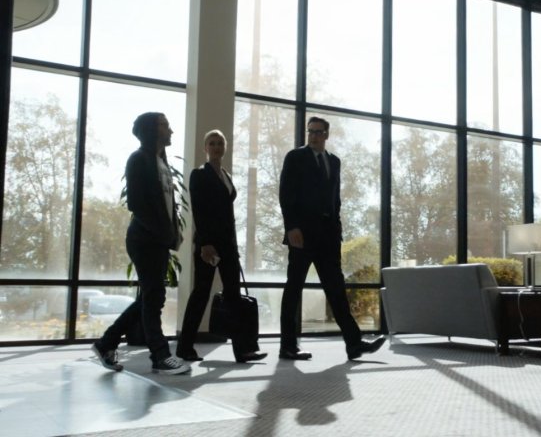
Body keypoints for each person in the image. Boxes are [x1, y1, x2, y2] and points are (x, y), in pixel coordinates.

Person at [278, 116, 385, 360]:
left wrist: (337, 231)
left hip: (328, 237)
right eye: (310, 131)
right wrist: (291, 227)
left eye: (318, 132)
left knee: (336, 290)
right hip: (301, 236)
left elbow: (335, 200)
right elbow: (286, 194)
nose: (313, 135)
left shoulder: (334, 162)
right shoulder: (295, 157)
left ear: (326, 135)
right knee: (293, 289)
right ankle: (288, 346)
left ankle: (354, 344)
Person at [91, 112, 191, 375]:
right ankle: (160, 356)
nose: (170, 130)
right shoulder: (138, 160)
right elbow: (136, 204)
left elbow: (166, 205)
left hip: (157, 239)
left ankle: (107, 343)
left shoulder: (160, 162)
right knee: (154, 297)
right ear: (150, 130)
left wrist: (173, 233)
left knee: (151, 296)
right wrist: (162, 233)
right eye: (164, 125)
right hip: (144, 240)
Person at [177, 130, 267, 363]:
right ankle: (184, 347)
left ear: (225, 148)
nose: (216, 147)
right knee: (200, 294)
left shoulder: (226, 175)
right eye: (212, 143)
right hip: (209, 246)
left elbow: (227, 215)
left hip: (227, 246)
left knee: (234, 296)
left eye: (220, 143)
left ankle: (243, 349)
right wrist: (205, 243)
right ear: (205, 148)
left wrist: (234, 247)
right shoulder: (199, 174)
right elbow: (199, 210)